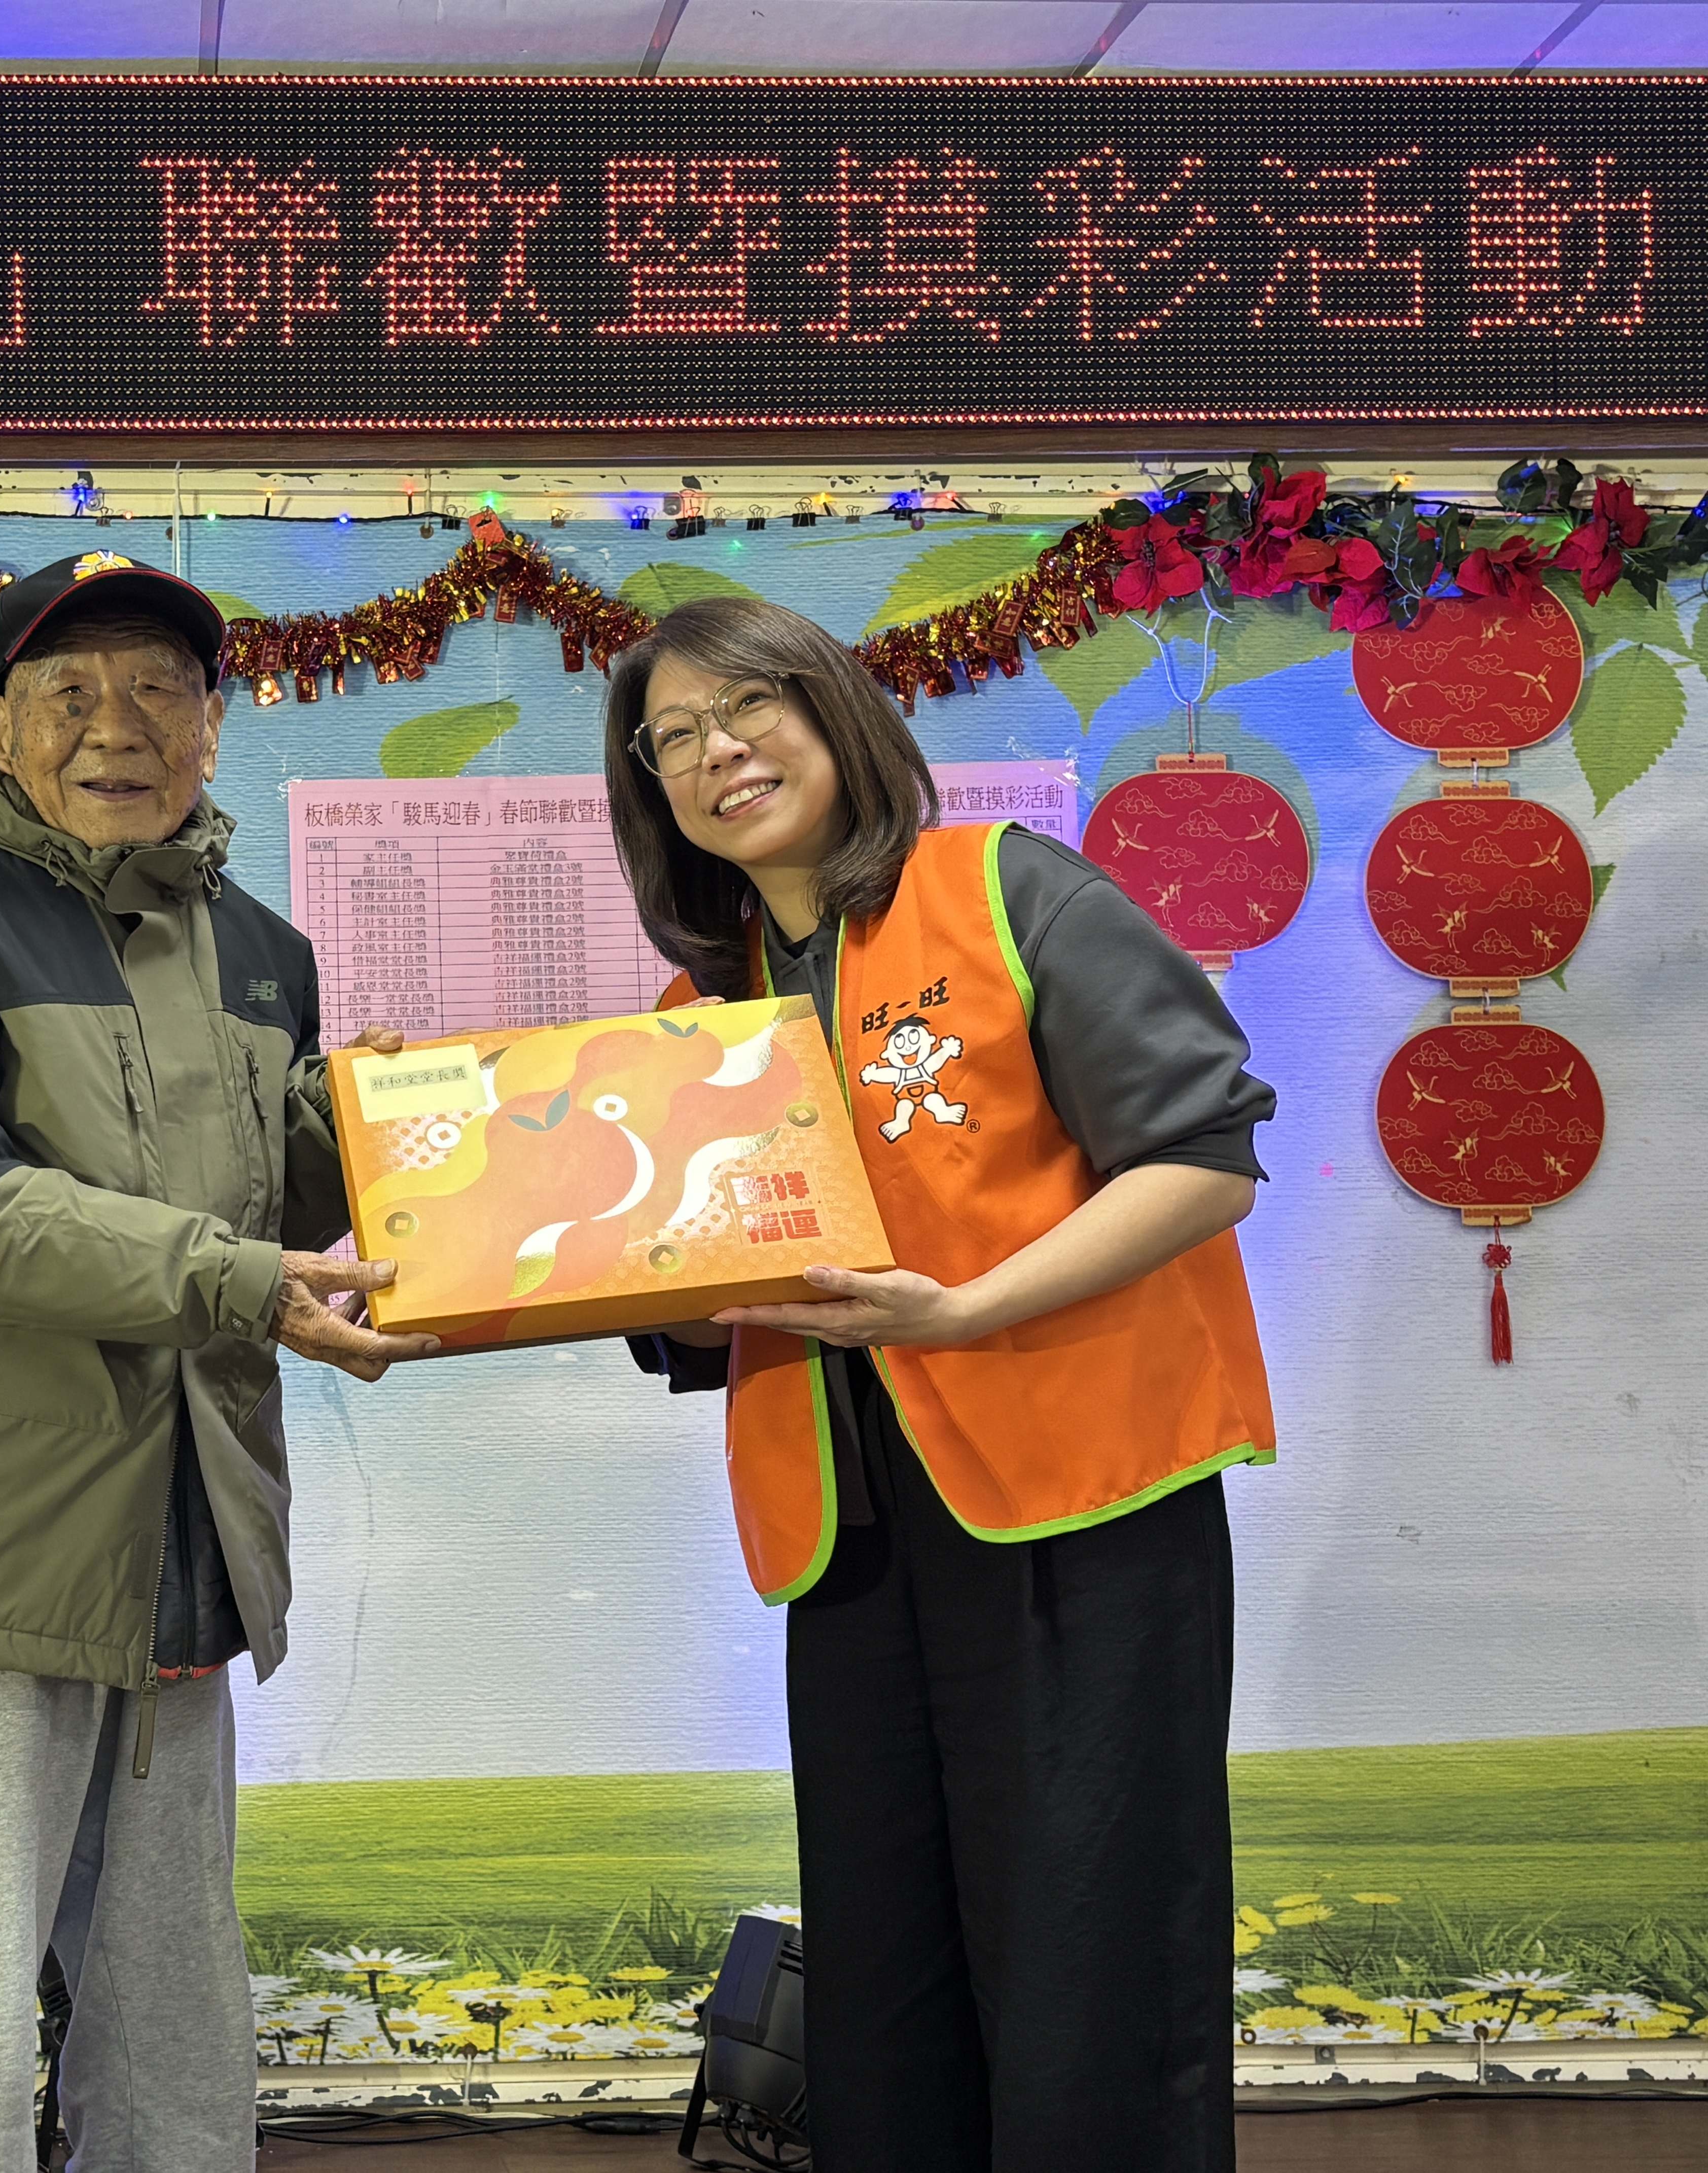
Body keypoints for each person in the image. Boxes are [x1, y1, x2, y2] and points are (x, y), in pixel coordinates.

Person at [604, 597, 1275, 2173]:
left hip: (1078, 1508)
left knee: (1091, 1953)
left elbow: (1203, 1155)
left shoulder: (1006, 888)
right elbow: (699, 1315)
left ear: (834, 710)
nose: (719, 751)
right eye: (674, 738)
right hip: (850, 1545)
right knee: (884, 1971)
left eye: (750, 705)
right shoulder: (694, 1022)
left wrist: (963, 1309)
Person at [0, 551, 434, 2173]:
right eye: (68, 690)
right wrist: (240, 1279)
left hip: (178, 1555)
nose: (116, 725)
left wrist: (397, 1132)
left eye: (157, 688)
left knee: (174, 2043)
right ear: (0, 722)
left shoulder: (262, 946)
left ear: (213, 726)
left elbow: (270, 1202)